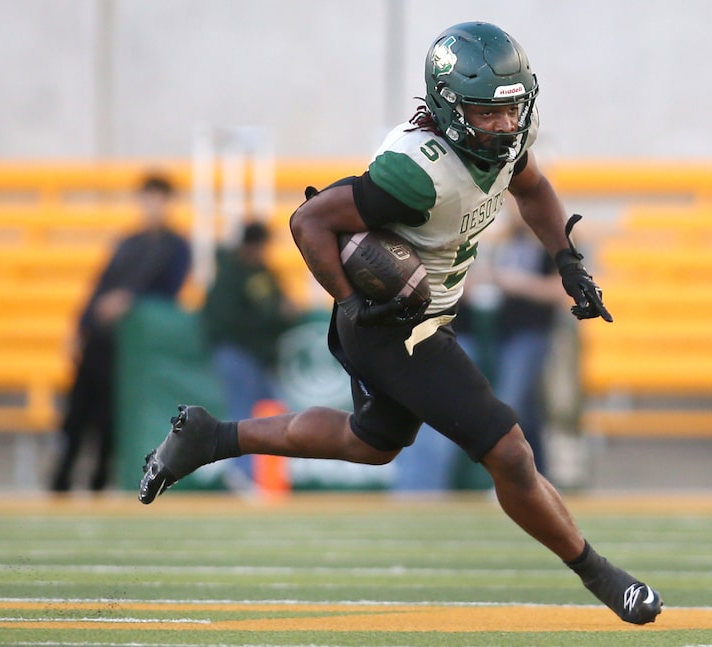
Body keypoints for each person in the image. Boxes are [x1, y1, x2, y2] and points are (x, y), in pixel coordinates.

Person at [138, 22, 662, 625]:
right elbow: (309, 220)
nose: (504, 125)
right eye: (485, 114)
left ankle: (212, 437)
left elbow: (534, 187)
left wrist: (566, 261)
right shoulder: (416, 173)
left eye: (511, 110)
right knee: (510, 452)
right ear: (449, 106)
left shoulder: (508, 136)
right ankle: (600, 575)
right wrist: (349, 300)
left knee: (371, 442)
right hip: (392, 322)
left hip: (420, 315)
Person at [394, 211, 564, 489]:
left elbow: (562, 288)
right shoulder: (494, 238)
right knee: (513, 411)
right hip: (482, 333)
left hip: (525, 334)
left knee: (514, 409)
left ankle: (521, 485)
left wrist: (516, 283)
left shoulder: (548, 239)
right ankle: (525, 485)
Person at [49, 172, 191, 493]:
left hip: (131, 346)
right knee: (77, 415)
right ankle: (60, 482)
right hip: (100, 340)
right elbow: (100, 285)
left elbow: (169, 295)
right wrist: (81, 327)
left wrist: (132, 302)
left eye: (158, 197)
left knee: (109, 418)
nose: (152, 205)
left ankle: (99, 482)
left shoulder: (177, 246)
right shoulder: (128, 242)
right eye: (148, 197)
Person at [201, 220, 296, 487]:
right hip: (239, 352)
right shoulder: (239, 274)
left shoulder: (245, 272)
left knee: (266, 411)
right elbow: (234, 318)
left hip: (251, 355)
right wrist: (277, 315)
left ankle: (265, 474)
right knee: (245, 412)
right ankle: (243, 473)